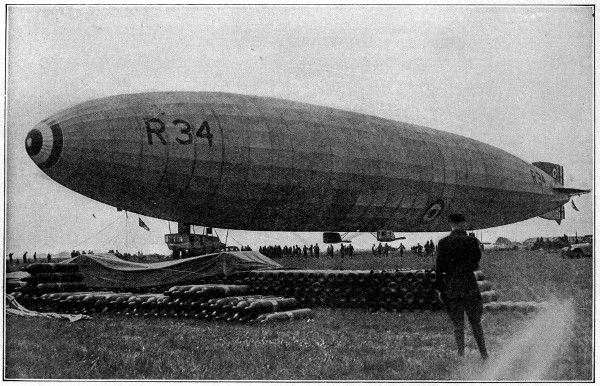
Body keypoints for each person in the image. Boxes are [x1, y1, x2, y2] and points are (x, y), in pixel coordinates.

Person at [435, 214, 488, 359]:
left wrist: (440, 289)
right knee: (476, 323)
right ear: (464, 224)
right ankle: (484, 354)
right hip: (469, 283)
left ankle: (461, 355)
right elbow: (476, 262)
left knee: (458, 324)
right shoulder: (472, 241)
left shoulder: (443, 242)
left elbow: (439, 268)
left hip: (452, 284)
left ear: (450, 224)